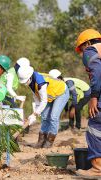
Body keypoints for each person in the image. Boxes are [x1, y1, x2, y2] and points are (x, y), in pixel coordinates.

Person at [15, 60, 69, 148]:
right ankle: (41, 141)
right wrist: (34, 113)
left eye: (25, 81)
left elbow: (43, 101)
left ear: (30, 76)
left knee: (53, 116)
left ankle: (49, 141)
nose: (25, 83)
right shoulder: (31, 82)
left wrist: (35, 114)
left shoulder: (40, 82)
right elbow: (37, 98)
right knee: (44, 116)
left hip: (61, 92)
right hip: (50, 95)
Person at [74, 29, 101, 178]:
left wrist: (94, 97)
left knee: (94, 127)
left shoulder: (91, 50)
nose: (82, 54)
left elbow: (97, 72)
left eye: (81, 49)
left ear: (88, 43)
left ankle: (98, 169)